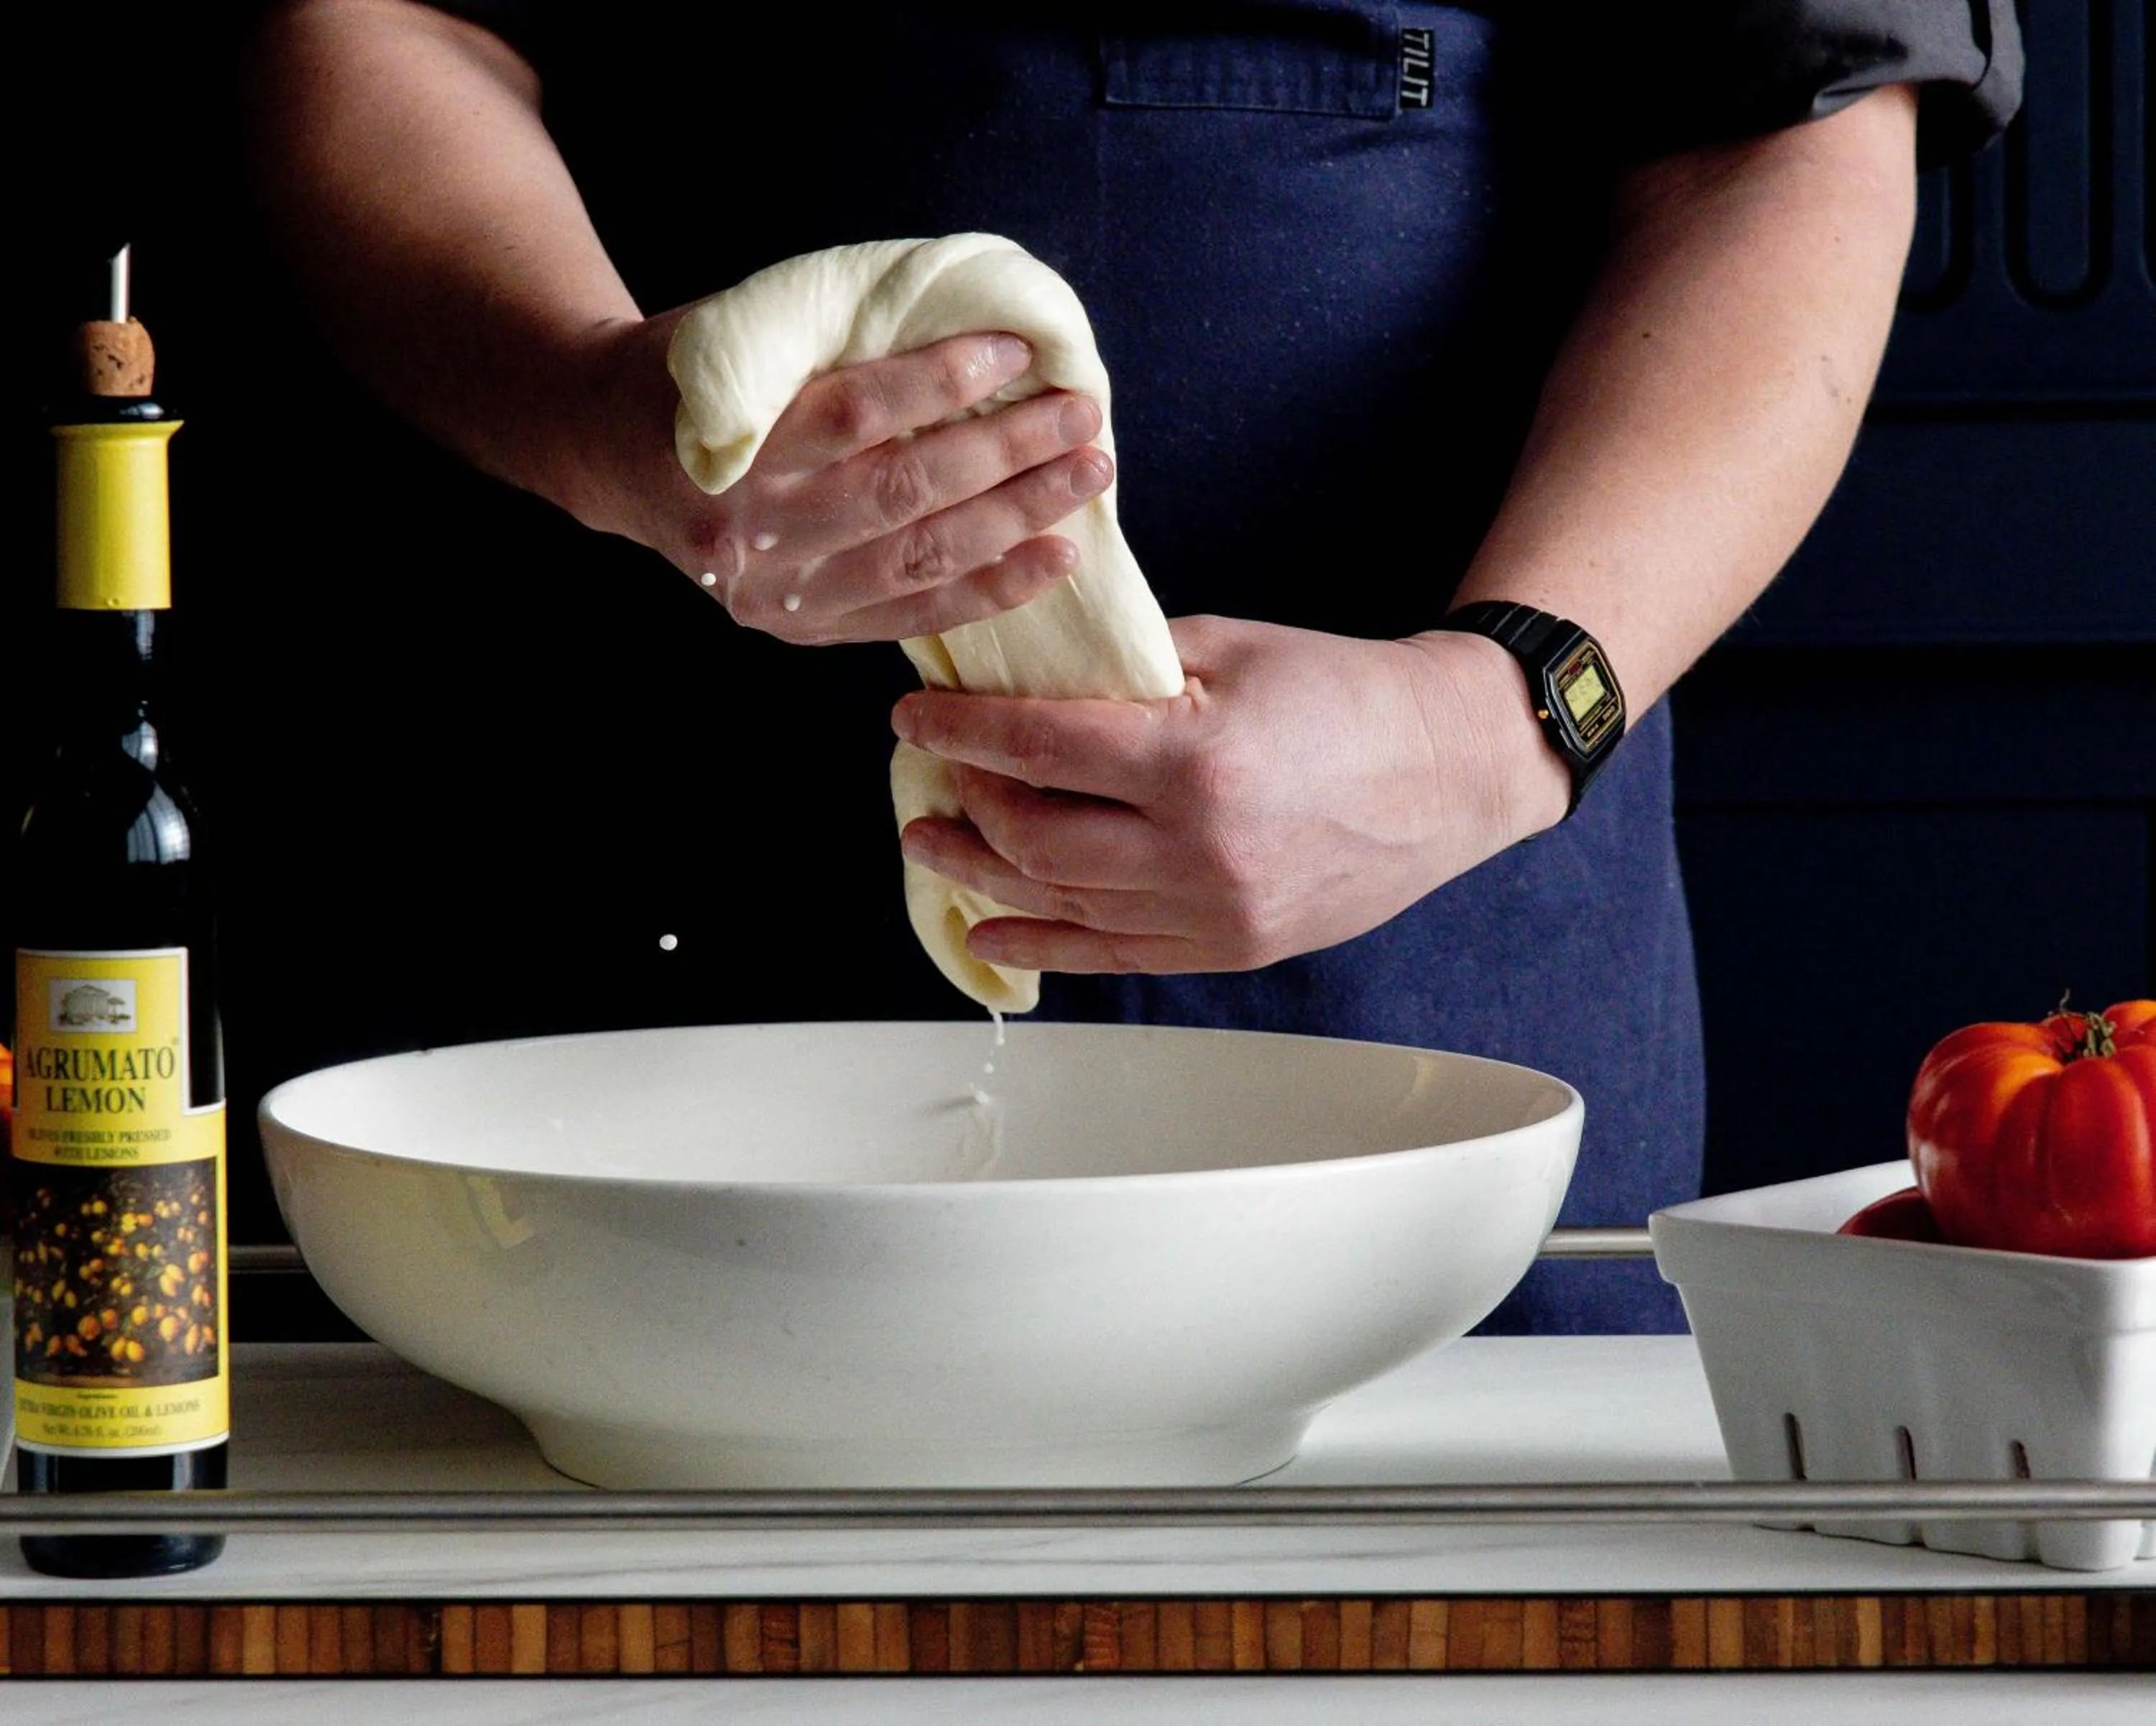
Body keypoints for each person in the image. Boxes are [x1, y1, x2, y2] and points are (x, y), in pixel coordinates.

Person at [237, 0, 2021, 1329]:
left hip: (1421, 1014)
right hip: (629, 1006)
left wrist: (1493, 717)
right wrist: (601, 407)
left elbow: (1799, 124)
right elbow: (380, 24)